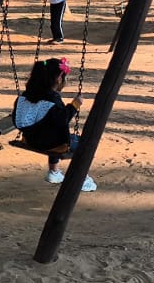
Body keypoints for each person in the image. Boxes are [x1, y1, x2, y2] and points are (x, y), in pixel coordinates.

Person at [13, 58, 96, 191]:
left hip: (30, 140)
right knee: (86, 143)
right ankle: (81, 178)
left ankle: (54, 173)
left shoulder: (26, 95)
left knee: (50, 131)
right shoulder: (52, 98)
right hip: (53, 145)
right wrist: (75, 105)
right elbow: (62, 119)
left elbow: (18, 118)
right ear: (59, 78)